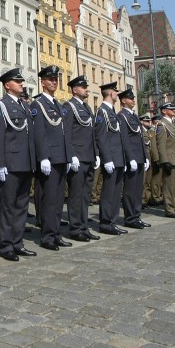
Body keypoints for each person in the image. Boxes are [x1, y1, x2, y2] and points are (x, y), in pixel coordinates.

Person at [0, 68, 37, 261]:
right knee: (8, 206)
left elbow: (30, 137)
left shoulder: (25, 106)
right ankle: (6, 244)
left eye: (21, 81)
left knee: (21, 206)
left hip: (25, 163)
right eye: (17, 82)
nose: (22, 84)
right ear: (7, 85)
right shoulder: (1, 106)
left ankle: (17, 242)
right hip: (10, 164)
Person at [31, 65, 73, 250]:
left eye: (56, 79)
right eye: (50, 79)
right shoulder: (38, 104)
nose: (54, 82)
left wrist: (69, 156)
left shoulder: (57, 104)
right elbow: (39, 133)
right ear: (43, 82)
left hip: (61, 157)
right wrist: (44, 157)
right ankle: (47, 236)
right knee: (49, 200)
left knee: (58, 200)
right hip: (50, 158)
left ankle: (56, 233)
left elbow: (64, 133)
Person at [62, 76, 100, 242]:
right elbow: (67, 133)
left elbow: (92, 134)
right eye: (82, 87)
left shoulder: (86, 107)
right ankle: (75, 228)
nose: (86, 89)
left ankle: (84, 227)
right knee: (76, 195)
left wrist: (96, 153)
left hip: (89, 156)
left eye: (85, 86)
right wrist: (71, 156)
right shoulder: (69, 107)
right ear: (74, 89)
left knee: (85, 195)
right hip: (78, 157)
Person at [94, 82, 127, 235]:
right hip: (111, 159)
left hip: (118, 158)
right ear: (110, 94)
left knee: (115, 193)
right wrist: (107, 159)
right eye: (115, 91)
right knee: (108, 193)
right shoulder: (102, 112)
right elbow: (101, 138)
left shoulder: (112, 112)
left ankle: (113, 221)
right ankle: (106, 223)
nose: (117, 94)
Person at [116, 89, 150, 229]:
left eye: (133, 98)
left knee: (138, 189)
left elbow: (140, 138)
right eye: (130, 98)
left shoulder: (134, 116)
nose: (133, 100)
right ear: (123, 100)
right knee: (130, 190)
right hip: (132, 159)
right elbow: (124, 139)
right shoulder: (122, 116)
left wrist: (146, 156)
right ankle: (130, 218)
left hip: (140, 157)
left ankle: (137, 215)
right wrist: (130, 158)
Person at [155, 103, 175, 217]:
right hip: (170, 160)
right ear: (164, 111)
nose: (173, 110)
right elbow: (161, 145)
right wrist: (164, 161)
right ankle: (170, 209)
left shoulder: (174, 123)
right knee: (169, 187)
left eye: (174, 109)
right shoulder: (162, 125)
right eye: (170, 109)